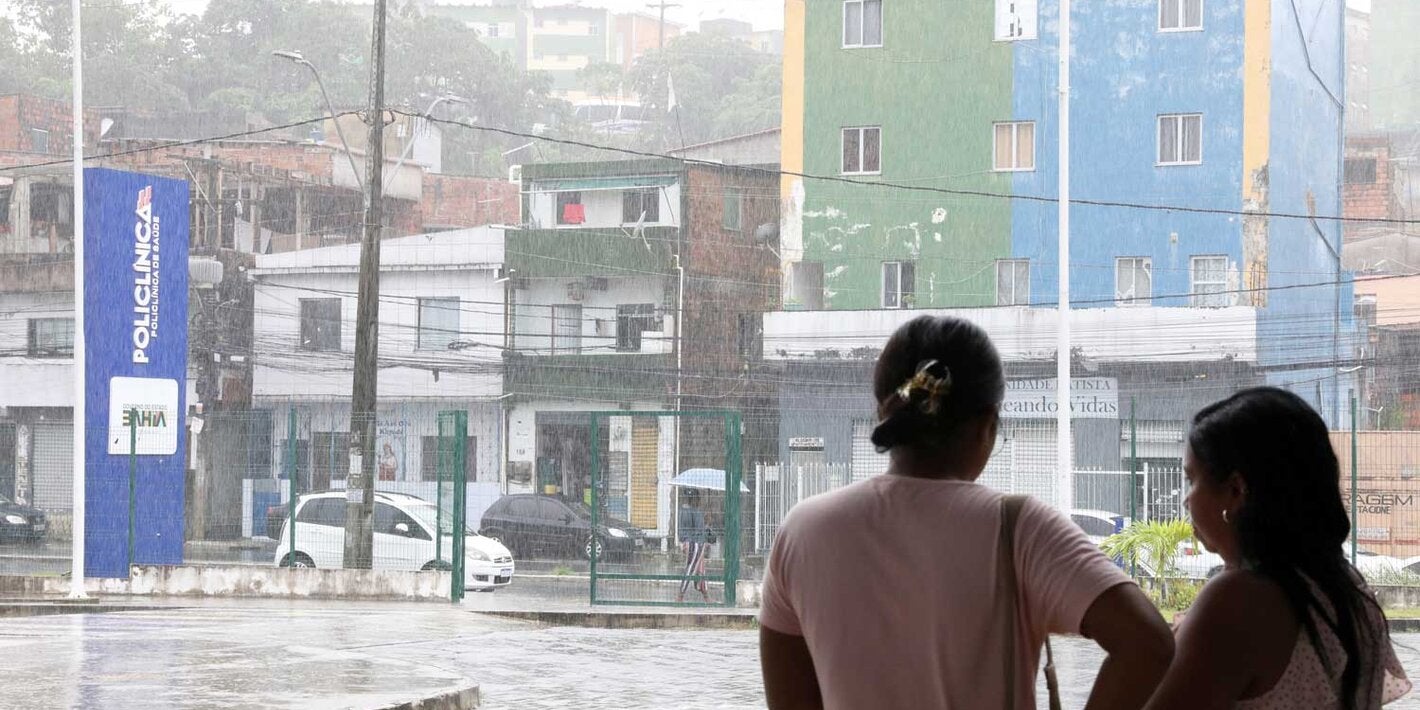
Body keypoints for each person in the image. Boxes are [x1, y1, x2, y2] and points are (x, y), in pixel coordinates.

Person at [760, 315, 1174, 710]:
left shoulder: (804, 531)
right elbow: (1148, 642)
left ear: (885, 412)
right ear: (987, 425)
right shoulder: (1019, 529)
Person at [1144, 387, 1411, 709]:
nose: (1186, 500)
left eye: (1192, 480)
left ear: (1236, 490)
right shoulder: (1347, 590)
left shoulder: (1237, 600)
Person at [677, 488, 712, 603]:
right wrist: (706, 523)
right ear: (695, 499)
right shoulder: (696, 512)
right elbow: (699, 531)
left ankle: (706, 596)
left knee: (700, 569)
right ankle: (680, 596)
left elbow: (685, 529)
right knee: (691, 568)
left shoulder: (682, 510)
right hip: (695, 544)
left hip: (686, 543)